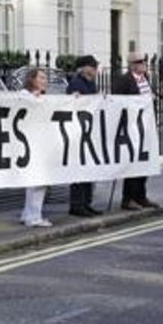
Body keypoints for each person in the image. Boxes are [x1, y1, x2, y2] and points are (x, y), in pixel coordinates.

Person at [114, 52, 161, 210]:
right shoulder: (124, 80)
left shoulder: (145, 79)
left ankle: (141, 197)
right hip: (131, 128)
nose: (144, 64)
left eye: (145, 61)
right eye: (141, 62)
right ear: (132, 65)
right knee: (133, 164)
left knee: (145, 162)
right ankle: (128, 199)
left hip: (146, 126)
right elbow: (118, 102)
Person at [66, 55, 102, 218]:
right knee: (79, 170)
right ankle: (77, 204)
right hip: (78, 132)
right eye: (93, 67)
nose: (95, 70)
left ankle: (86, 203)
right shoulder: (76, 83)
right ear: (85, 68)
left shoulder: (91, 83)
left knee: (89, 170)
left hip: (90, 131)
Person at [18, 68, 52, 228]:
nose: (45, 81)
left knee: (36, 181)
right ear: (32, 80)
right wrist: (35, 99)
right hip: (31, 143)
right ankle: (34, 216)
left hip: (41, 142)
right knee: (37, 180)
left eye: (46, 78)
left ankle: (28, 214)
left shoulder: (43, 97)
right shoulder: (25, 95)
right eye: (42, 78)